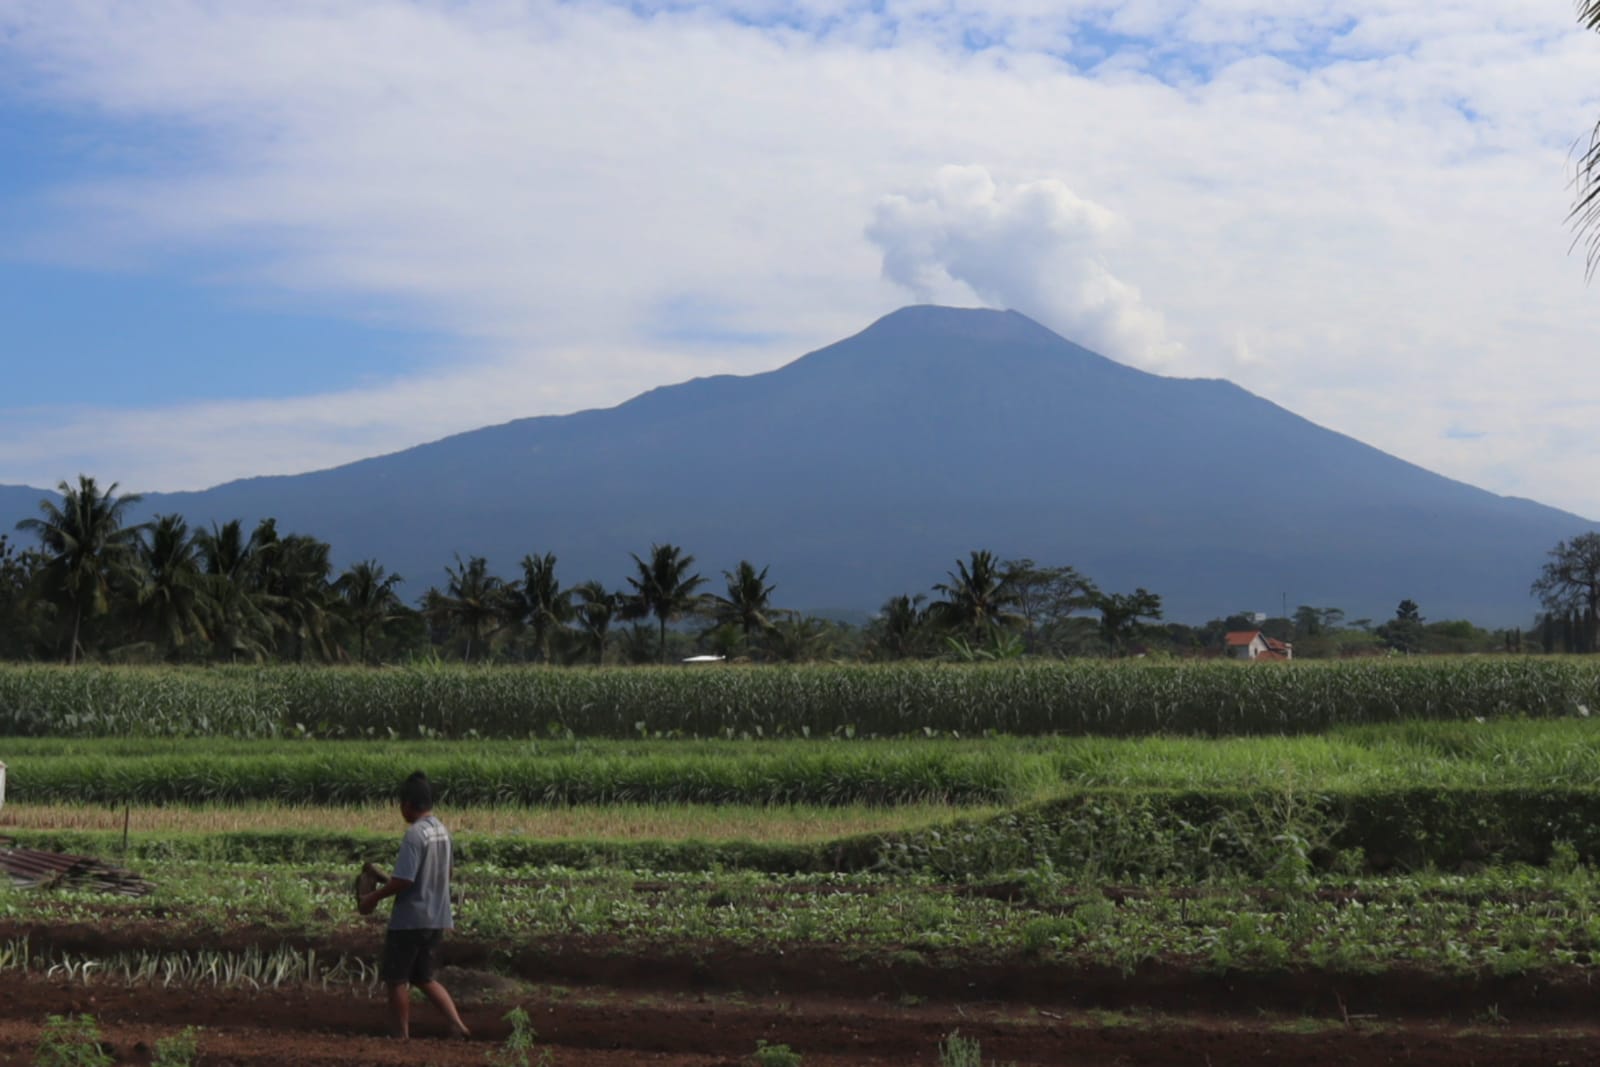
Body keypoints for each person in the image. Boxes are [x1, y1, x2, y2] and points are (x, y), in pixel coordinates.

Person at [359, 770, 471, 1040]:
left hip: (410, 919)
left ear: (408, 804)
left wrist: (372, 898)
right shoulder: (443, 832)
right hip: (437, 917)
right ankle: (457, 1024)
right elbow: (447, 874)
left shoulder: (414, 835)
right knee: (424, 977)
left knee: (397, 978)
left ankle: (400, 1034)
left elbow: (404, 880)